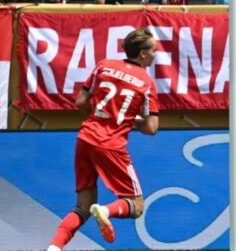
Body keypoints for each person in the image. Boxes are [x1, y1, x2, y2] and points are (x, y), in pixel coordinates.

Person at [46, 29, 160, 251]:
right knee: (136, 206)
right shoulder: (146, 82)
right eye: (154, 50)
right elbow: (151, 128)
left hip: (85, 138)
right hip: (111, 145)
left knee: (83, 205)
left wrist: (100, 117)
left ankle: (54, 248)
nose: (156, 55)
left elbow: (80, 102)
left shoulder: (104, 66)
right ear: (143, 53)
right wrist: (133, 120)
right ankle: (106, 210)